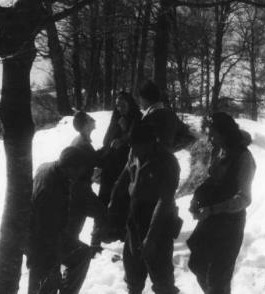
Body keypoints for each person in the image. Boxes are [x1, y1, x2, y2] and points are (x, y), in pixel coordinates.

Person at [187, 112, 256, 294]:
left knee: (218, 278)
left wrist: (213, 209)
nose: (209, 138)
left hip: (230, 224)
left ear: (225, 133)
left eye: (213, 134)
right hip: (211, 220)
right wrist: (197, 198)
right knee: (197, 264)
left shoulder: (244, 158)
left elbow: (244, 198)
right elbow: (212, 178)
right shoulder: (218, 150)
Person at [109, 121, 181, 294]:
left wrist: (151, 237)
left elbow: (165, 201)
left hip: (159, 224)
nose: (134, 150)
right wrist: (113, 200)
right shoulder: (134, 152)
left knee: (162, 282)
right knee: (133, 276)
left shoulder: (167, 162)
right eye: (132, 145)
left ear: (151, 142)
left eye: (138, 146)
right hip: (135, 220)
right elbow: (125, 175)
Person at [27, 146, 94, 294]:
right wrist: (54, 266)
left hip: (47, 233)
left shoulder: (50, 167)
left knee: (82, 254)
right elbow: (48, 234)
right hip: (39, 242)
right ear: (69, 168)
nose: (79, 175)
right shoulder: (50, 191)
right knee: (45, 282)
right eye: (78, 171)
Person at [91, 92, 142, 245]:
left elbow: (138, 140)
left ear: (130, 104)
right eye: (117, 105)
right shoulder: (116, 118)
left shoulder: (137, 118)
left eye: (123, 105)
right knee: (104, 199)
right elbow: (107, 141)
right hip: (111, 166)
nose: (120, 108)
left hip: (127, 167)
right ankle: (97, 237)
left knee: (123, 200)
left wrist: (125, 134)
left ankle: (121, 234)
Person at [66, 111, 99, 243]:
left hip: (77, 189)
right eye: (90, 119)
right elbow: (97, 161)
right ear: (85, 125)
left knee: (75, 224)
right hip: (79, 191)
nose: (93, 120)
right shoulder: (82, 144)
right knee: (99, 213)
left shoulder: (80, 140)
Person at [138, 80, 196, 152]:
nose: (139, 101)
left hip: (155, 161)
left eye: (140, 98)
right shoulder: (170, 114)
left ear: (144, 99)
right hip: (168, 160)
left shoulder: (149, 118)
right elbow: (191, 136)